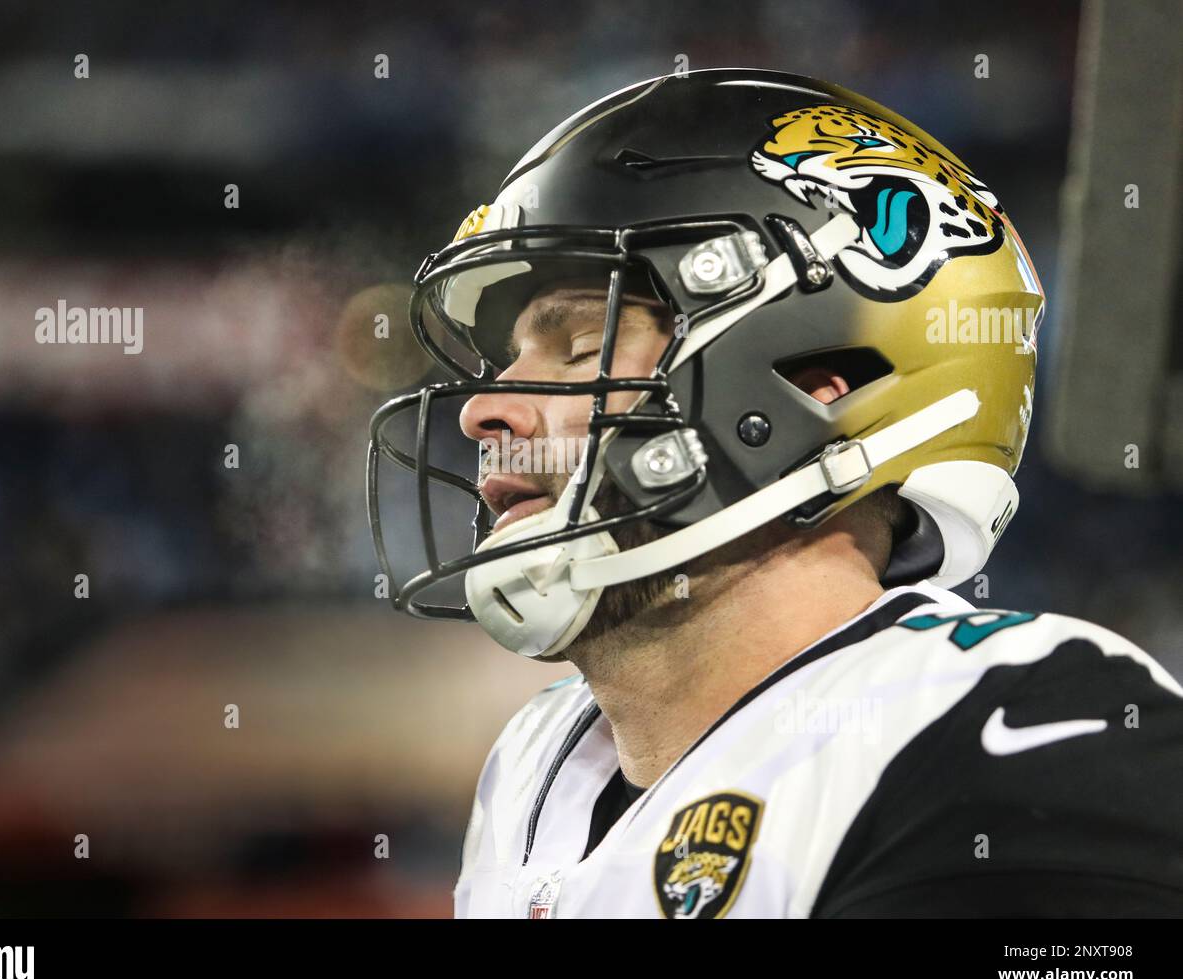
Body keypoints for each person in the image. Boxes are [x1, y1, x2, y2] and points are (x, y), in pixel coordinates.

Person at [366, 69, 1182, 918]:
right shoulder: (533, 766)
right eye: (505, 358)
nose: (484, 410)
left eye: (577, 343)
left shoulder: (1011, 727)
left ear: (818, 380)